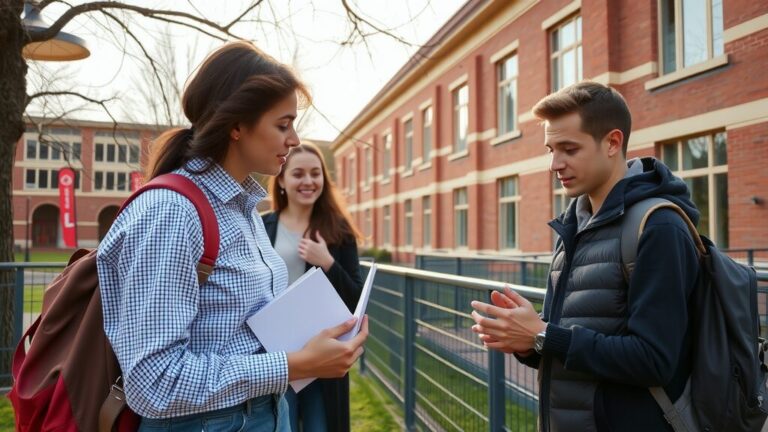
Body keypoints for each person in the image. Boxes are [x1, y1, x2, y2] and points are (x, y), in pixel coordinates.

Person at [97, 41, 368, 432]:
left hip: (263, 414)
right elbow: (154, 382)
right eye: (283, 124)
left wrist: (316, 346)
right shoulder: (170, 213)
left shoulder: (244, 210)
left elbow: (236, 333)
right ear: (237, 126)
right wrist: (297, 363)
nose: (294, 140)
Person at [470, 81, 700, 432]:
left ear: (612, 142)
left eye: (568, 149)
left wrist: (543, 335)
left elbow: (654, 360)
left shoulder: (659, 227)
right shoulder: (573, 226)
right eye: (550, 149)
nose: (554, 164)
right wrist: (525, 340)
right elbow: (569, 347)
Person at [262, 142, 364, 432]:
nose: (308, 181)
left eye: (315, 173)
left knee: (321, 426)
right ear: (281, 180)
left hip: (323, 354)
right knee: (282, 425)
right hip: (277, 357)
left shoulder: (338, 230)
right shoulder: (262, 226)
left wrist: (328, 263)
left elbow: (356, 297)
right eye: (298, 174)